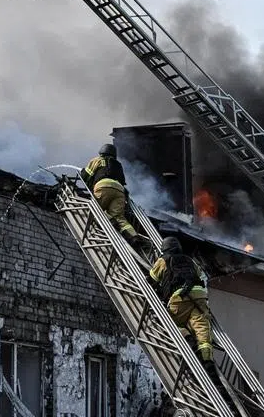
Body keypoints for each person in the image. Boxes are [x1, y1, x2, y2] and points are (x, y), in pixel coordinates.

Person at [149, 236, 218, 377]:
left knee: (170, 324)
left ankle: (187, 339)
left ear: (164, 249)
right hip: (199, 298)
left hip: (179, 298)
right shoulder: (190, 261)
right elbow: (201, 277)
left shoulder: (164, 260)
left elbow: (151, 279)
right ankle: (207, 361)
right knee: (201, 328)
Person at [81, 143, 149, 252]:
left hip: (103, 187)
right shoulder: (118, 165)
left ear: (101, 152)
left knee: (96, 210)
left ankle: (110, 220)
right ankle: (134, 237)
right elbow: (123, 181)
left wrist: (86, 177)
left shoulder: (97, 160)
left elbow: (85, 176)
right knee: (119, 217)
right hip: (119, 191)